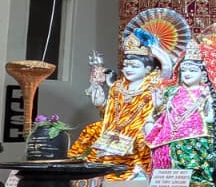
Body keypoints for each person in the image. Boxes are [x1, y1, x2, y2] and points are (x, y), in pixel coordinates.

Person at [69, 31, 167, 171]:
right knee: (92, 130)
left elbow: (160, 116)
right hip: (114, 127)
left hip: (140, 128)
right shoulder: (117, 86)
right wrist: (101, 104)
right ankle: (87, 173)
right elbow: (109, 115)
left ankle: (137, 173)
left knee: (141, 139)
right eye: (126, 65)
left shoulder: (154, 88)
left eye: (134, 66)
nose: (128, 69)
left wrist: (158, 108)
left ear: (147, 69)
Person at [142, 38, 216, 187]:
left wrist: (207, 116)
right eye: (184, 70)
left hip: (196, 135)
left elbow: (213, 118)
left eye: (192, 70)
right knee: (164, 151)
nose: (187, 73)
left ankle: (196, 181)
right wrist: (157, 107)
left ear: (203, 74)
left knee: (192, 148)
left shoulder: (206, 92)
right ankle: (168, 183)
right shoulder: (172, 91)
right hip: (169, 134)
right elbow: (161, 114)